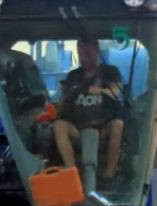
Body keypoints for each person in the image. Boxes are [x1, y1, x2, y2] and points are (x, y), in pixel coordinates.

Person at [52, 38, 125, 180]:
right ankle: (72, 172)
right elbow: (63, 101)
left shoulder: (110, 72)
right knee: (59, 125)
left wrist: (99, 90)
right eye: (81, 54)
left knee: (118, 125)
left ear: (97, 51)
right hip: (77, 130)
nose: (83, 58)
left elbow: (116, 91)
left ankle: (110, 173)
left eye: (87, 53)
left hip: (103, 129)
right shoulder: (73, 76)